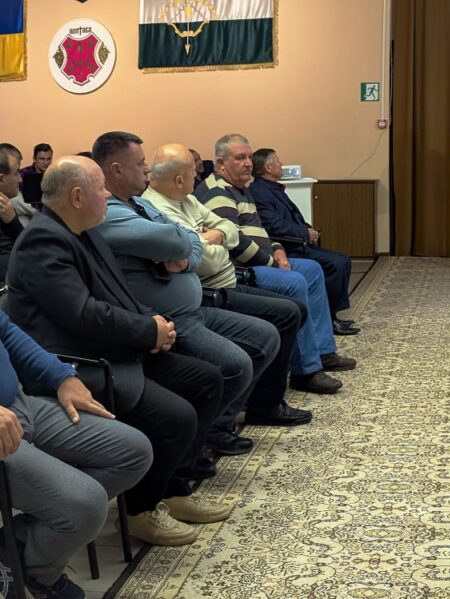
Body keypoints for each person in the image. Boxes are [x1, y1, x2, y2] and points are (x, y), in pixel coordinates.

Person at [5, 156, 232, 547]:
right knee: (176, 418)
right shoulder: (43, 241)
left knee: (207, 380)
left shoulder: (85, 230)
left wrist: (155, 323)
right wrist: (146, 331)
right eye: (101, 189)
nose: (108, 195)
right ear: (77, 196)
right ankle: (140, 511)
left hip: (115, 346)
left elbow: (118, 295)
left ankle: (172, 489)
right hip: (82, 362)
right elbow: (82, 315)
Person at [90, 133, 282, 466]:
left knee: (267, 335)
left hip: (195, 306)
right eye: (141, 163)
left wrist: (187, 244)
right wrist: (188, 244)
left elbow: (188, 245)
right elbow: (182, 243)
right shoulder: (112, 212)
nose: (147, 170)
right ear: (117, 170)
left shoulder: (142, 204)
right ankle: (196, 444)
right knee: (235, 365)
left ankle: (209, 430)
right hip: (166, 318)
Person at [142, 143, 313, 436]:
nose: (198, 178)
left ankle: (264, 401)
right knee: (285, 315)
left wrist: (210, 238)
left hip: (228, 279)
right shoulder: (159, 209)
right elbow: (205, 261)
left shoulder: (186, 199)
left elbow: (230, 230)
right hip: (209, 292)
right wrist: (216, 240)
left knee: (294, 310)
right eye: (193, 174)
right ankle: (254, 410)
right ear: (180, 179)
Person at [0, 309, 153, 599]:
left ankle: (15, 544)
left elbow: (6, 332)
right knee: (85, 505)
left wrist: (61, 376)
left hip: (18, 405)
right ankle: (40, 575)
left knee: (133, 452)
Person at [195, 134, 354, 394]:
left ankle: (323, 351)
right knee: (295, 281)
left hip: (263, 258)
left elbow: (259, 230)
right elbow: (235, 242)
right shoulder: (217, 192)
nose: (248, 163)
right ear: (221, 163)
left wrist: (278, 249)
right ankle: (305, 371)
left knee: (313, 270)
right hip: (240, 269)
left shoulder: (241, 188)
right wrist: (271, 260)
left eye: (249, 157)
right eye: (240, 158)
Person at [250, 147, 359, 336]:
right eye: (278, 161)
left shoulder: (273, 188)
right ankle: (329, 319)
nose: (281, 164)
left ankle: (330, 315)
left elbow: (292, 217)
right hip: (288, 246)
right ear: (268, 167)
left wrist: (308, 229)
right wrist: (305, 233)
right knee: (337, 263)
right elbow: (273, 225)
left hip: (297, 241)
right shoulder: (260, 191)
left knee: (341, 260)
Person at [0, 144, 24, 281]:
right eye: (16, 173)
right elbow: (28, 246)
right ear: (1, 178)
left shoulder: (6, 206)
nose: (20, 179)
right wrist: (13, 222)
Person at [18, 143, 51, 209]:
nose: (46, 163)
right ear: (34, 159)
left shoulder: (53, 175)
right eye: (42, 159)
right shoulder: (23, 174)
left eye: (49, 159)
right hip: (27, 211)